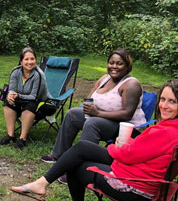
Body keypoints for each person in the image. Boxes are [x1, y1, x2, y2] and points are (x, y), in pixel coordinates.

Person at [10, 79, 178, 201]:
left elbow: (128, 155)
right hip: (144, 177)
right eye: (162, 99)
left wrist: (115, 147)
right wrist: (129, 144)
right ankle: (41, 184)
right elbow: (145, 150)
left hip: (132, 185)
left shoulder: (165, 131)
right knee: (83, 147)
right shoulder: (177, 129)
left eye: (172, 101)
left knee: (76, 166)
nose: (164, 105)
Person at [41, 49, 146, 183]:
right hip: (101, 117)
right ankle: (59, 156)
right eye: (111, 63)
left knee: (93, 123)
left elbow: (127, 114)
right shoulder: (104, 79)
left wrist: (97, 113)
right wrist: (88, 107)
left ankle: (78, 168)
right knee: (72, 113)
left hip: (124, 128)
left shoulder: (131, 84)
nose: (114, 66)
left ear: (127, 66)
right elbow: (89, 98)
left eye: (119, 64)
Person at [0, 47, 50, 149]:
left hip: (39, 102)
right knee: (8, 102)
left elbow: (34, 96)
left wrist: (18, 96)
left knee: (30, 105)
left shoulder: (38, 75)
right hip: (20, 99)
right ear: (21, 61)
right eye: (26, 59)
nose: (30, 62)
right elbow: (12, 89)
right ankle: (10, 135)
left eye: (32, 59)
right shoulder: (15, 72)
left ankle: (23, 139)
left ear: (35, 60)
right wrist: (10, 95)